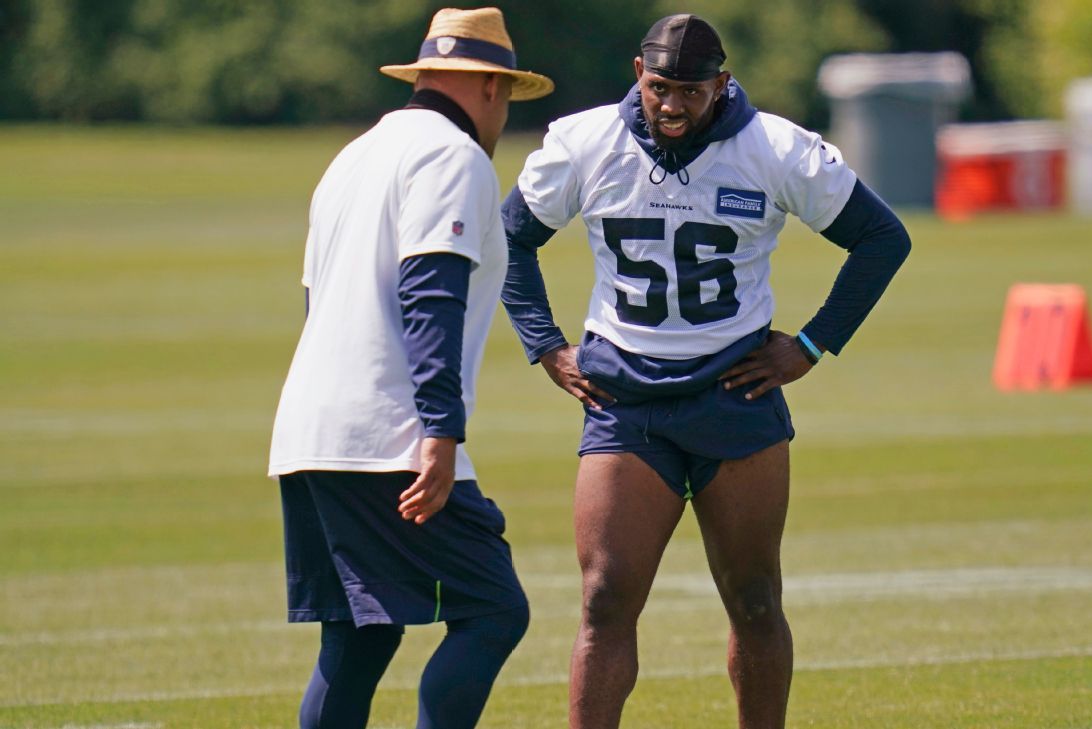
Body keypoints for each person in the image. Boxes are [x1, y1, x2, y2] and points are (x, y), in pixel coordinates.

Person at [499, 13, 911, 729]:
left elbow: (882, 238)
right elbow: (508, 237)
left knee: (754, 599)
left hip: (735, 389)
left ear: (722, 85)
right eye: (660, 87)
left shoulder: (775, 148)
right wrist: (545, 344)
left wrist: (812, 345)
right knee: (604, 596)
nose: (672, 105)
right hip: (625, 394)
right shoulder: (585, 142)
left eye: (691, 90)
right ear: (638, 75)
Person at [267, 8, 552, 728]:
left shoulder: (352, 156)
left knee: (362, 630)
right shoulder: (452, 157)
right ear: (490, 87)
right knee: (494, 606)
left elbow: (316, 300)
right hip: (386, 432)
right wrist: (441, 430)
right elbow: (431, 291)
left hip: (309, 429)